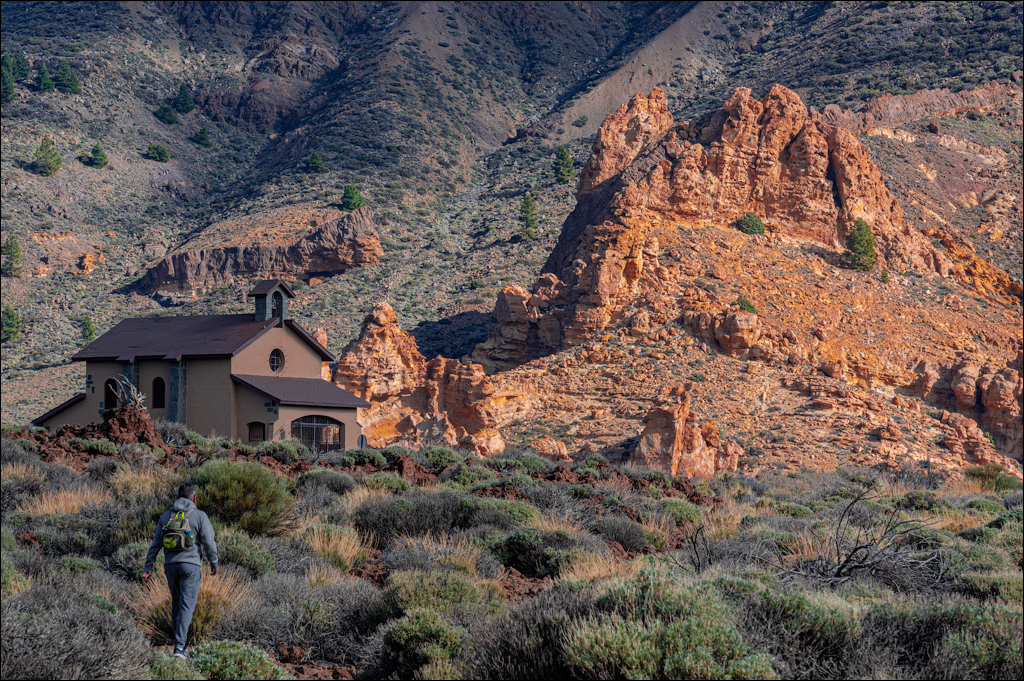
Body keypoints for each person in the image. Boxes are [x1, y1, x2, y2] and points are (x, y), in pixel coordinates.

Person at [143, 482, 219, 660]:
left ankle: (179, 644)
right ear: (195, 498)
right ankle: (179, 648)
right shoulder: (199, 516)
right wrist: (213, 562)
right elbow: (209, 542)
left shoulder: (165, 516)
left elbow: (155, 544)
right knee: (187, 605)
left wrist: (148, 566)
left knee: (177, 603)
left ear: (177, 498)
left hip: (170, 566)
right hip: (191, 566)